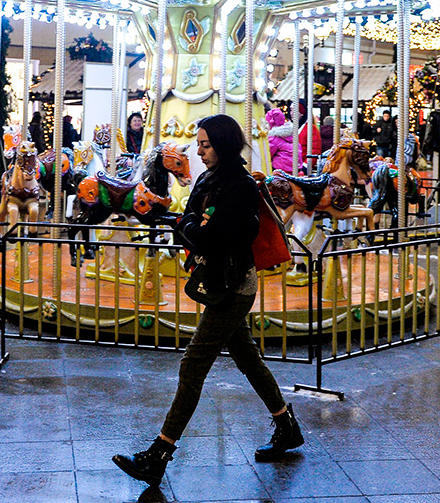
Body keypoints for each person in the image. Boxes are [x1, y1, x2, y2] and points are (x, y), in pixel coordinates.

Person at [112, 114, 303, 486]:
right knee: (248, 358)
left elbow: (214, 234)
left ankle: (159, 454)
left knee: (193, 366)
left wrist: (195, 227)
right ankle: (286, 426)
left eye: (206, 144)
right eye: (198, 145)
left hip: (232, 288)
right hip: (219, 279)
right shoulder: (208, 178)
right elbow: (194, 226)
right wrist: (190, 225)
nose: (200, 151)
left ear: (224, 145)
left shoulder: (241, 185)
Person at [265, 107, 300, 173]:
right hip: (294, 167)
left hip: (280, 169)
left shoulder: (274, 138)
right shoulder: (291, 135)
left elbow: (268, 154)